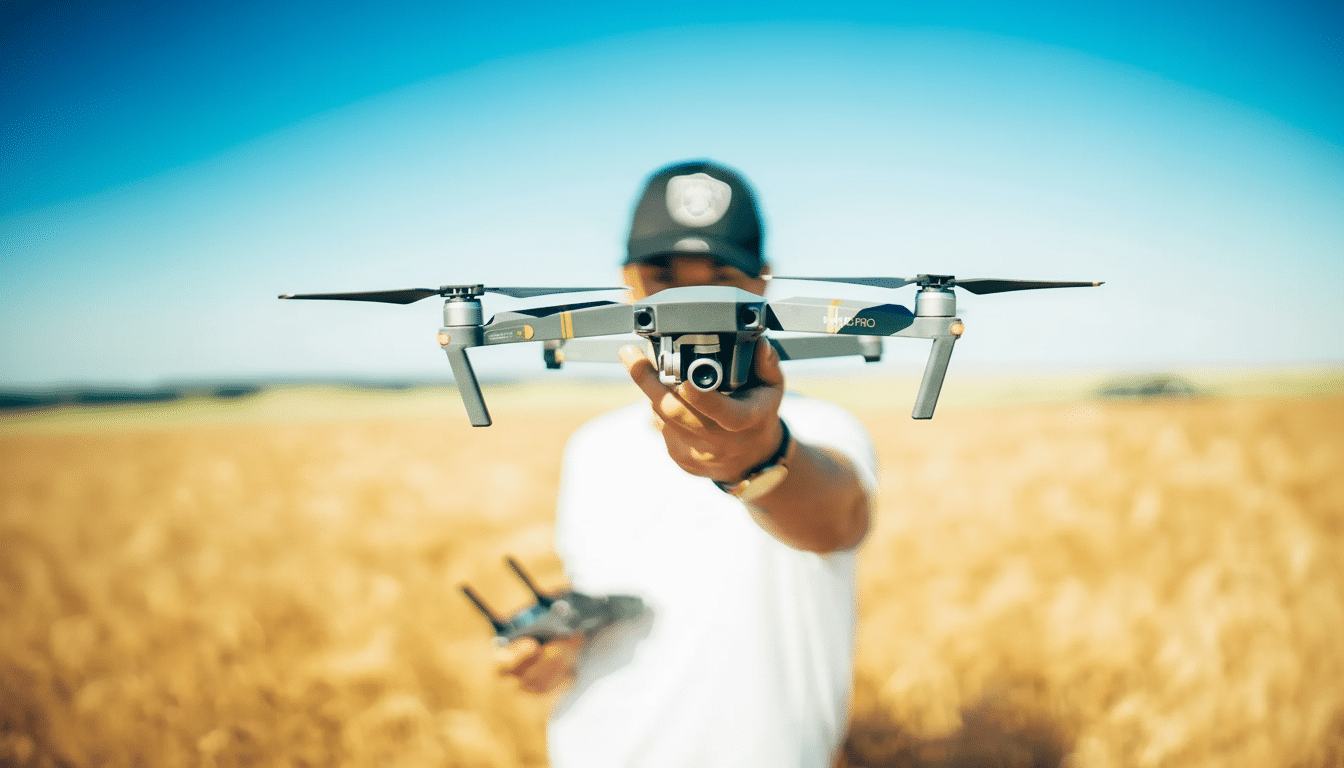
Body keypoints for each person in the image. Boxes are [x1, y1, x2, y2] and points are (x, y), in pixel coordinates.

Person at [497, 160, 878, 767]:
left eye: (719, 281)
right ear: (628, 281)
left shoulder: (827, 430)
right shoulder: (591, 447)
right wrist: (557, 637)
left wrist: (758, 456)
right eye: (664, 279)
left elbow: (833, 520)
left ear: (761, 284)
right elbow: (611, 585)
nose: (691, 306)